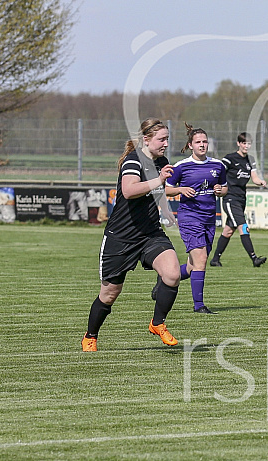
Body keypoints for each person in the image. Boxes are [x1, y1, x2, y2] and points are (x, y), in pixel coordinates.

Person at [81, 118, 180, 351]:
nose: (166, 143)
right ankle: (90, 336)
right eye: (162, 139)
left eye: (167, 139)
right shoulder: (133, 160)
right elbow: (129, 190)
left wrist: (167, 211)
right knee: (110, 293)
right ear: (147, 139)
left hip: (150, 233)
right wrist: (159, 180)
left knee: (172, 274)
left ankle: (158, 324)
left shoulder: (161, 161)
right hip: (122, 236)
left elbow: (158, 191)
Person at [152, 123, 228, 314]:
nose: (202, 145)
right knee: (201, 259)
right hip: (189, 218)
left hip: (209, 219)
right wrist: (180, 189)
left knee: (194, 265)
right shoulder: (181, 167)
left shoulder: (218, 165)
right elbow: (165, 189)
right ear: (190, 145)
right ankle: (199, 306)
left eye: (205, 142)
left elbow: (224, 188)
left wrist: (220, 191)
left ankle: (165, 279)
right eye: (198, 142)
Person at [210, 132, 267, 267]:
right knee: (243, 226)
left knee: (228, 231)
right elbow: (218, 171)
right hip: (230, 198)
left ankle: (215, 259)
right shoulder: (230, 159)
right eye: (244, 143)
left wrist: (260, 182)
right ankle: (254, 259)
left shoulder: (250, 160)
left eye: (249, 143)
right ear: (238, 144)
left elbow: (254, 178)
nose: (246, 146)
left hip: (241, 198)